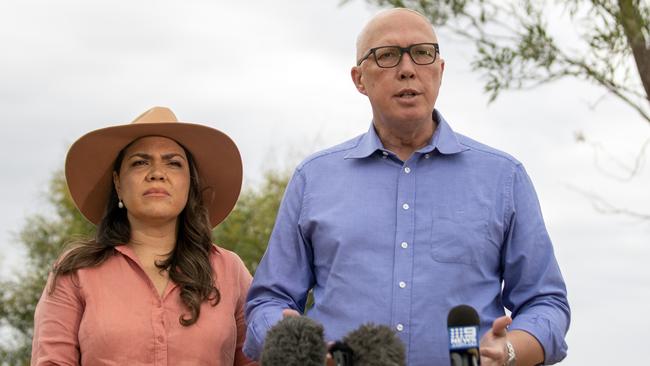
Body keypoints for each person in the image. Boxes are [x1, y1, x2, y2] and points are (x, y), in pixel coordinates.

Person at [244, 8, 570, 366]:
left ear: (440, 71)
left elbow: (546, 303)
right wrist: (291, 344)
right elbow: (267, 302)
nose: (407, 68)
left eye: (422, 52)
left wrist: (508, 351)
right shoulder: (313, 178)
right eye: (386, 56)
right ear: (359, 79)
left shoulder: (504, 177)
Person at [31, 107, 257, 366]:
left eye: (173, 163)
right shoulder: (75, 271)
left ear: (190, 183)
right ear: (118, 183)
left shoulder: (230, 271)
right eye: (140, 162)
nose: (157, 173)